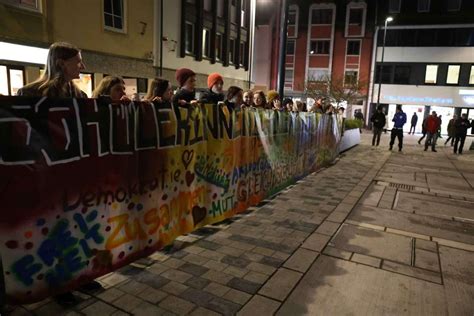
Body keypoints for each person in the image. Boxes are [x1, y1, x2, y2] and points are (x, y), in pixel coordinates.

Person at [17, 42, 87, 98]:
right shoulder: (29, 94)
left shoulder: (81, 95)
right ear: (61, 64)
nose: (83, 67)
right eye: (78, 62)